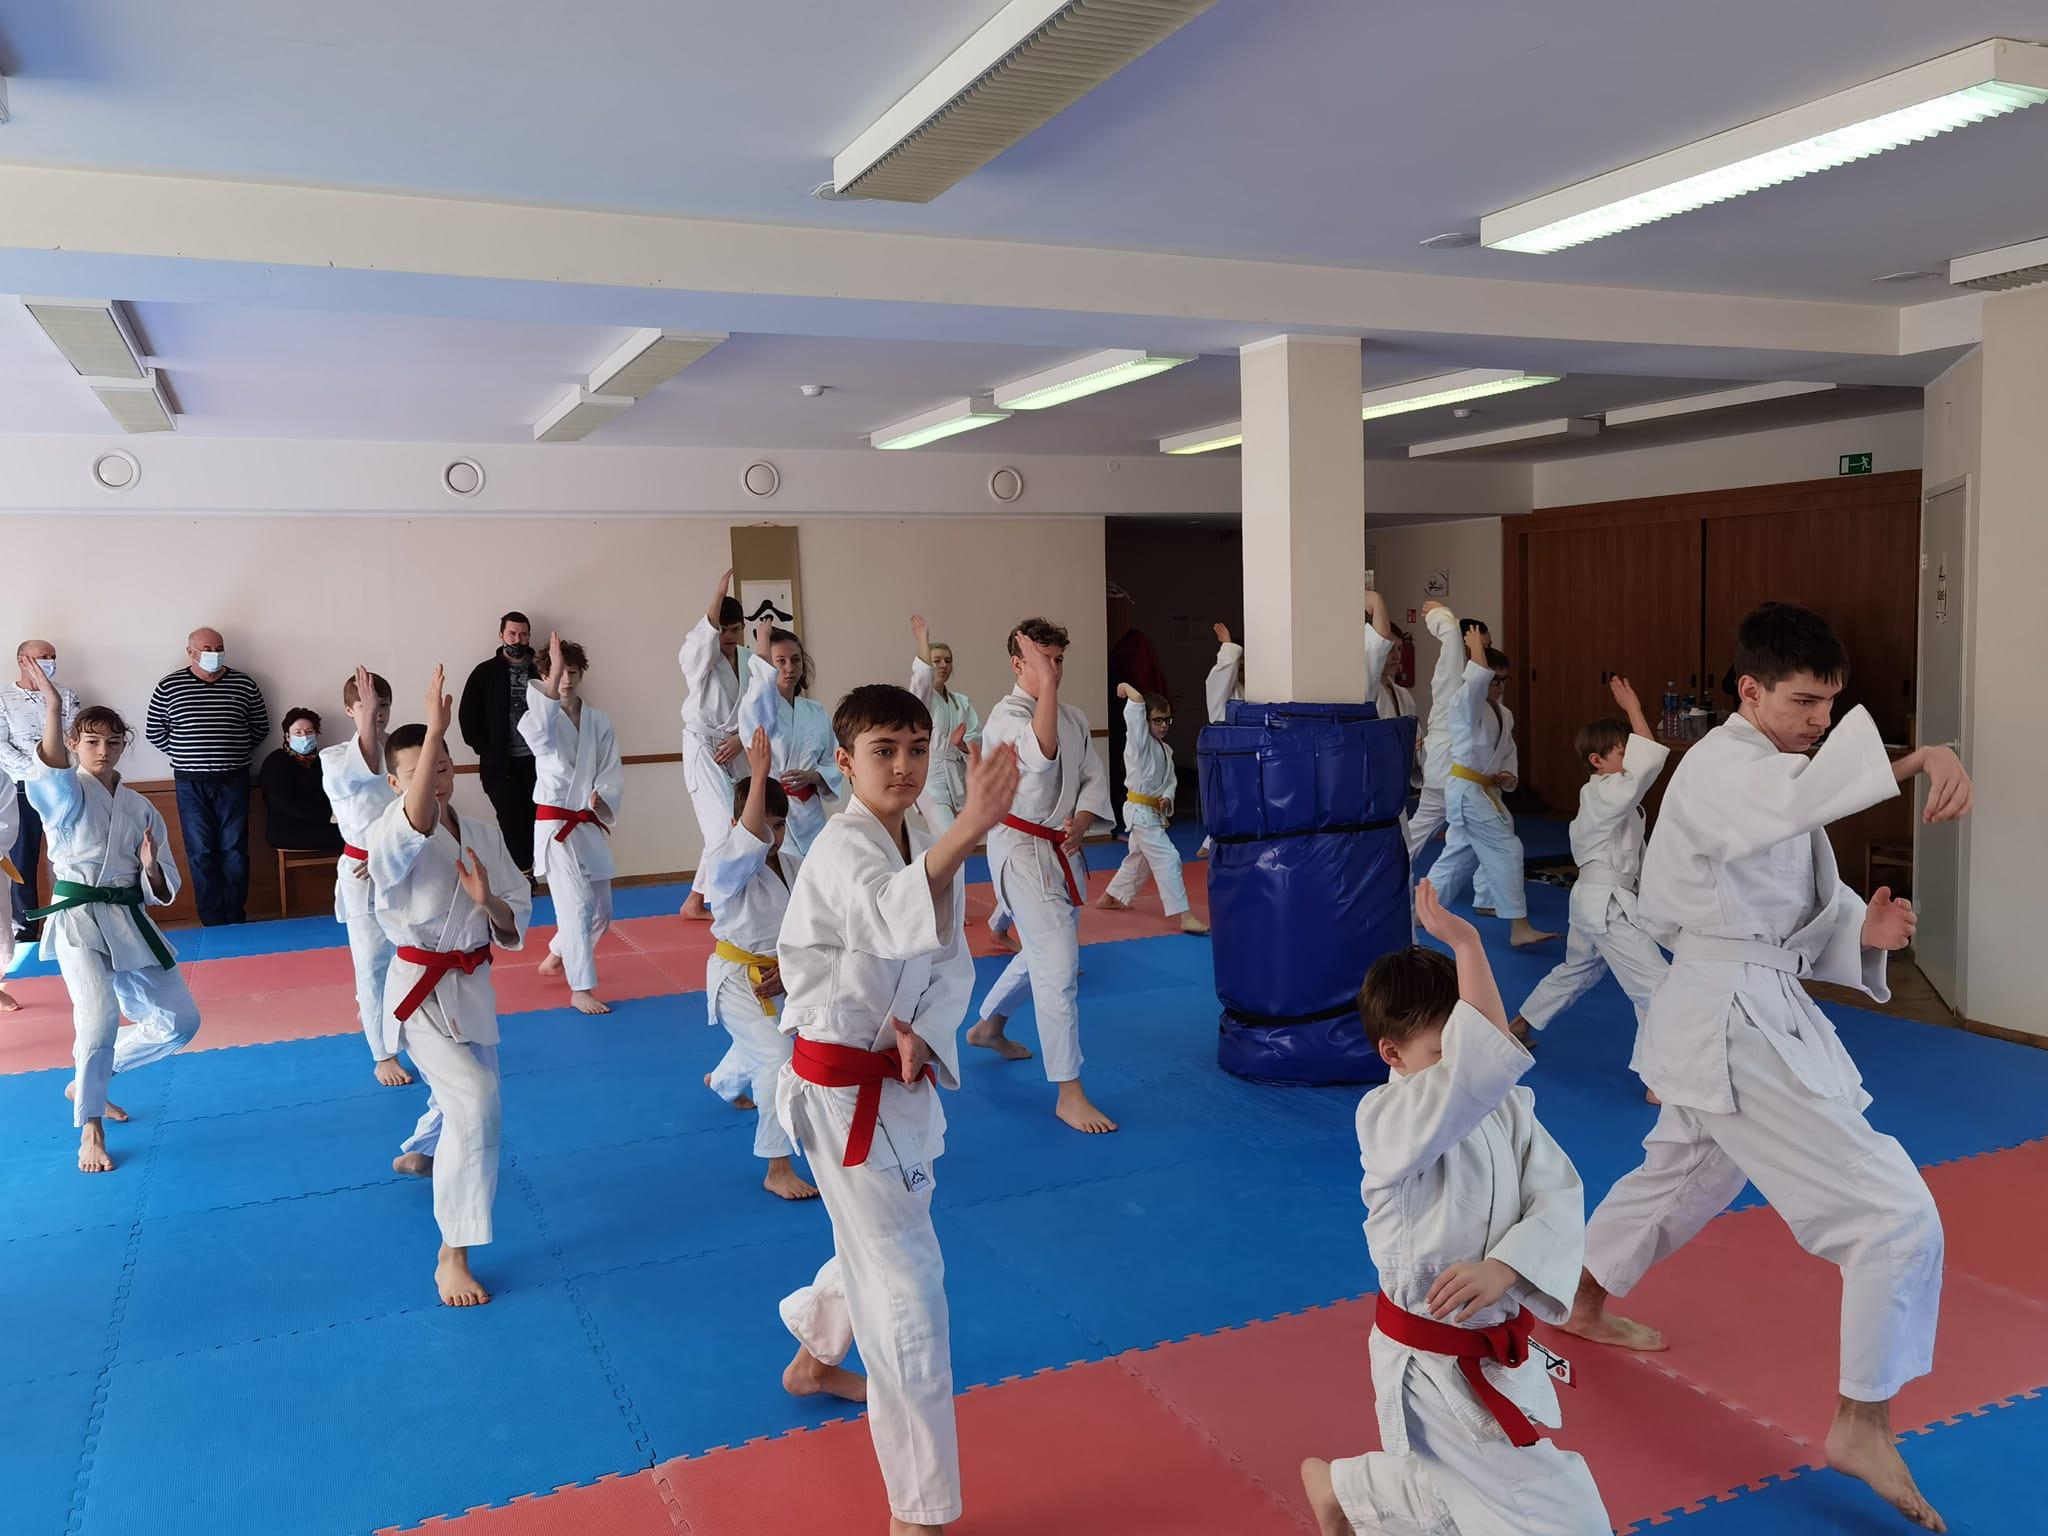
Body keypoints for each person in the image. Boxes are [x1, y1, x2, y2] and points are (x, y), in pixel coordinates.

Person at [1562, 602, 1973, 1533]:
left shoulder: (1775, 774)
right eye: (1803, 703)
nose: (1820, 721)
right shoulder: (1723, 766)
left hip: (1741, 1004)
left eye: (1831, 704)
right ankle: (1862, 1422)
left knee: (1686, 1173)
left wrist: (1860, 931)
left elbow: (1791, 899)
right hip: (1731, 1017)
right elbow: (1789, 809)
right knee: (1893, 1214)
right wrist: (1916, 758)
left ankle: (1579, 1299)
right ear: (1750, 691)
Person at [775, 682, 1020, 1536]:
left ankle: (814, 1358)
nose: (904, 766)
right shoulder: (843, 848)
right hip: (842, 1096)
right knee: (910, 1292)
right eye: (884, 751)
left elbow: (947, 961)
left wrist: (920, 1023)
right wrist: (972, 825)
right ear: (845, 763)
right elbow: (887, 917)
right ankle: (919, 1514)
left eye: (918, 749)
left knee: (878, 1242)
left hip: (895, 1085)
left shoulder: (922, 837)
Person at [1300, 879, 1609, 1536]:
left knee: (1464, 1496)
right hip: (1434, 1363)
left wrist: (1507, 1266)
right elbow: (1478, 1067)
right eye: (1442, 1054)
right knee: (1559, 1513)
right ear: (1393, 1054)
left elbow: (1557, 1192)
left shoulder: (1507, 1106)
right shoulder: (1387, 1118)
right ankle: (1352, 1492)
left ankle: (1349, 1492)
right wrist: (1468, 946)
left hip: (1489, 1339)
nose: (1466, 1069)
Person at [370, 668, 531, 1307]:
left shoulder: (484, 833)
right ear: (395, 783)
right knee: (477, 1099)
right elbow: (414, 826)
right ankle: (453, 1253)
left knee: (462, 1092)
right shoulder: (392, 828)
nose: (433, 778)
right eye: (418, 770)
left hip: (472, 984)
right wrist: (435, 728)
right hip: (419, 991)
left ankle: (420, 1152)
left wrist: (489, 901)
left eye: (441, 766)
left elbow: (516, 911)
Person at [21, 668, 202, 1173]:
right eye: (92, 741)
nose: (104, 750)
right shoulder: (68, 795)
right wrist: (52, 711)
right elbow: (50, 775)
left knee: (181, 1022)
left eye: (114, 742)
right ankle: (91, 1128)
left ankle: (91, 1077)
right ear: (75, 744)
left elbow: (165, 881)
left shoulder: (141, 807)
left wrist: (149, 868)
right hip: (77, 918)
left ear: (124, 746)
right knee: (97, 1018)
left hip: (127, 917)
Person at [967, 619, 1117, 1134]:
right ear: (1018, 665)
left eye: (1058, 660)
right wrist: (1047, 685)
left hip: (1061, 848)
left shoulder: (1072, 717)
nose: (1054, 669)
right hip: (1021, 850)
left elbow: (1092, 776)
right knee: (1059, 966)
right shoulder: (1005, 718)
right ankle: (1068, 1092)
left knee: (1040, 951)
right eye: (1042, 660)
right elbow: (1041, 755)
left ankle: (989, 1025)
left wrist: (1085, 818)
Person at [1509, 677, 1670, 1070]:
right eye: (1623, 751)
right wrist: (1634, 709)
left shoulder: (1609, 796)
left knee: (1577, 970)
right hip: (1606, 906)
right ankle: (1658, 1075)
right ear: (1598, 761)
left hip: (1594, 901)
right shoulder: (1603, 793)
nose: (1630, 758)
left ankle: (1518, 1027)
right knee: (1658, 985)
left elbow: (1643, 769)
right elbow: (1649, 765)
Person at [695, 727, 815, 1200]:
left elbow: (811, 926)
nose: (772, 837)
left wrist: (790, 969)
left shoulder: (794, 864)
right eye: (763, 827)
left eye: (779, 827)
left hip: (779, 975)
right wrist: (759, 775)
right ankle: (776, 1165)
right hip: (736, 979)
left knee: (765, 1039)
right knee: (778, 1058)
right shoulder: (724, 863)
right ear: (739, 823)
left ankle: (723, 1081)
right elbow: (747, 841)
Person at [1430, 631, 1556, 948]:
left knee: (1460, 854)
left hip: (1484, 790)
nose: (1498, 686)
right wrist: (1476, 648)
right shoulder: (1465, 703)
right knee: (1507, 848)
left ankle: (1425, 908)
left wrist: (1509, 776)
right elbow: (1475, 683)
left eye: (1503, 680)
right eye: (1493, 679)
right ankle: (1519, 927)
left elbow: (1507, 751)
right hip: (1467, 789)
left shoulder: (1504, 713)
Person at [522, 634, 623, 1015]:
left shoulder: (599, 721)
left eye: (572, 671)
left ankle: (558, 951)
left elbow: (611, 766)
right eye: (557, 672)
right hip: (556, 827)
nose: (566, 679)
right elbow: (538, 736)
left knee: (602, 911)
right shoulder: (538, 719)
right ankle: (581, 988)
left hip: (587, 820)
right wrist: (549, 684)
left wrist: (602, 794)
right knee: (577, 907)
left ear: (582, 674)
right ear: (545, 675)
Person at [321, 667, 409, 1089]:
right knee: (372, 965)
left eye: (383, 705)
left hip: (406, 865)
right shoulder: (334, 758)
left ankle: (412, 1025)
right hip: (362, 875)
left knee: (414, 954)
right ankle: (383, 1053)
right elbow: (364, 769)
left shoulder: (404, 751)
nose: (376, 712)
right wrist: (369, 721)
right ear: (349, 710)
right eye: (366, 706)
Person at [145, 627, 269, 925]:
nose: (214, 654)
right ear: (190, 652)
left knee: (234, 849)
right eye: (207, 649)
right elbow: (155, 732)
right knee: (200, 851)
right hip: (190, 781)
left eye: (219, 648)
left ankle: (235, 914)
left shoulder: (244, 684)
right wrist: (188, 753)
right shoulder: (169, 686)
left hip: (234, 778)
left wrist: (230, 751)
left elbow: (260, 728)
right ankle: (211, 918)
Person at [1096, 683, 1208, 934]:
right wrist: (1125, 687)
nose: (1163, 725)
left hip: (1151, 812)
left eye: (1167, 719)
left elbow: (1170, 781)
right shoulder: (1139, 743)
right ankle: (1184, 915)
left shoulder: (1165, 749)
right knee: (1169, 858)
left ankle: (1110, 896)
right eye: (1157, 720)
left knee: (1140, 859)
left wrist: (1166, 797)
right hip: (1139, 811)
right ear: (1144, 721)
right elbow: (1137, 704)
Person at [677, 570, 749, 921]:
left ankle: (694, 900)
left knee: (736, 821)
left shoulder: (749, 660)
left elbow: (761, 706)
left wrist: (741, 738)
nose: (729, 637)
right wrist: (716, 599)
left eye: (735, 629)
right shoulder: (701, 657)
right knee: (722, 825)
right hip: (703, 745)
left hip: (736, 745)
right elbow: (699, 646)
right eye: (723, 629)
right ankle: (723, 906)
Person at [738, 621, 842, 857]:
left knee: (820, 868)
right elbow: (761, 691)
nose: (789, 668)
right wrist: (763, 641)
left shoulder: (816, 711)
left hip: (811, 811)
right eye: (780, 661)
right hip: (773, 810)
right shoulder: (758, 709)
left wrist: (814, 776)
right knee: (786, 870)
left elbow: (833, 760)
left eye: (796, 660)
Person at [2, 638, 80, 941]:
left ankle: (69, 924)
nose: (49, 662)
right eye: (42, 657)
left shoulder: (66, 696)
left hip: (62, 788)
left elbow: (73, 739)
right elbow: (2, 746)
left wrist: (53, 772)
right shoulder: (3, 697)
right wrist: (36, 771)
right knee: (22, 860)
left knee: (66, 857)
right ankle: (25, 928)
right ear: (23, 660)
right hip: (21, 789)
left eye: (53, 656)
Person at [457, 612, 541, 878]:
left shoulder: (541, 669)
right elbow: (467, 715)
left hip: (538, 761)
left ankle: (538, 869)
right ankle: (523, 874)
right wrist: (486, 748)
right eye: (512, 633)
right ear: (501, 635)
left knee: (538, 817)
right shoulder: (485, 673)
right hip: (499, 765)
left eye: (523, 634)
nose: (518, 639)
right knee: (509, 818)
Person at [1408, 603, 1486, 859]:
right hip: (1449, 769)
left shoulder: (1471, 683)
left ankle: (1385, 869)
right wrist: (1439, 612)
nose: (1484, 651)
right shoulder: (1455, 676)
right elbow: (1451, 634)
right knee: (1484, 839)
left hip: (1447, 768)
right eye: (1480, 645)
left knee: (1423, 831)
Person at [908, 614, 982, 835]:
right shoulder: (922, 699)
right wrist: (923, 639)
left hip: (957, 775)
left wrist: (962, 745)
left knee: (958, 840)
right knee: (948, 837)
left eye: (948, 661)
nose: (943, 665)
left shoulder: (961, 702)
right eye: (937, 660)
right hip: (930, 775)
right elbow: (922, 677)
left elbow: (976, 737)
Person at [258, 709, 344, 854]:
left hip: (322, 823)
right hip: (287, 828)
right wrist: (329, 815)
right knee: (352, 836)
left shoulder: (324, 760)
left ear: (316, 734)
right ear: (287, 736)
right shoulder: (276, 762)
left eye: (309, 732)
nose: (304, 737)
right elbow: (286, 803)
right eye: (298, 733)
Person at [1196, 622, 1245, 861]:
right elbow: (1223, 672)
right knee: (1226, 798)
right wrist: (1227, 645)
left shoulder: (1252, 691)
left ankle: (1222, 840)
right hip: (1225, 750)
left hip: (1248, 750)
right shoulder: (1221, 692)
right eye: (1239, 665)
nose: (1241, 669)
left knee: (1241, 798)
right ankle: (1213, 840)